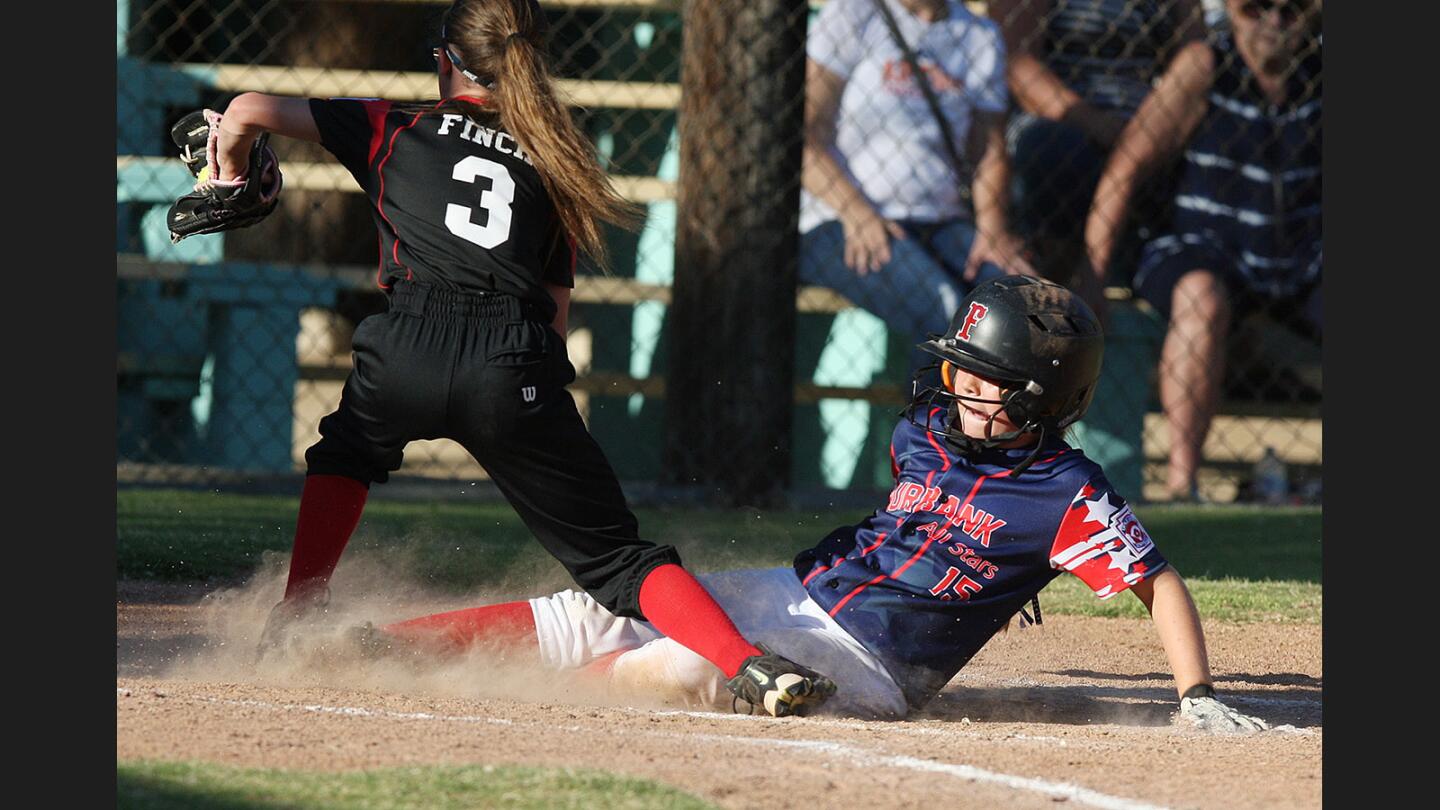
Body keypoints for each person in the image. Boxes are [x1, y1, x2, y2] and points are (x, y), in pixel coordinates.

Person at [201, 0, 835, 716]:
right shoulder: (559, 159)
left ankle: (298, 615)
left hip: (403, 348)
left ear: (446, 60)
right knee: (618, 560)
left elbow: (247, 107)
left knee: (347, 452)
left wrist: (226, 176)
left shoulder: (393, 126)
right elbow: (554, 317)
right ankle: (751, 665)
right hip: (510, 362)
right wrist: (533, 406)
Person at [356, 277, 1269, 731]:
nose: (958, 387)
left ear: (1039, 402)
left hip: (871, 660)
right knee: (607, 607)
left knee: (683, 669)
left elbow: (1159, 581)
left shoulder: (1066, 494)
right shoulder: (926, 433)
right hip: (789, 590)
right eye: (959, 369)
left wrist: (1197, 697)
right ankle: (384, 648)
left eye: (983, 380)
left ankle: (517, 710)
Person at [1083, 0, 1321, 500]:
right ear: (1232, 10)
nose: (1274, 23)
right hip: (1204, 246)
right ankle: (1182, 483)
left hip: (1300, 257)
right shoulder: (1205, 64)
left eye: (1291, 9)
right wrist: (1094, 275)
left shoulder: (1320, 73)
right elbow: (1125, 167)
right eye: (1256, 7)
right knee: (1200, 296)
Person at [989, 0, 1208, 285]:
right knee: (1057, 153)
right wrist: (1099, 124)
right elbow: (1015, 61)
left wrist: (1148, 133)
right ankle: (1054, 288)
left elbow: (1196, 58)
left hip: (1148, 123)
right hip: (1058, 120)